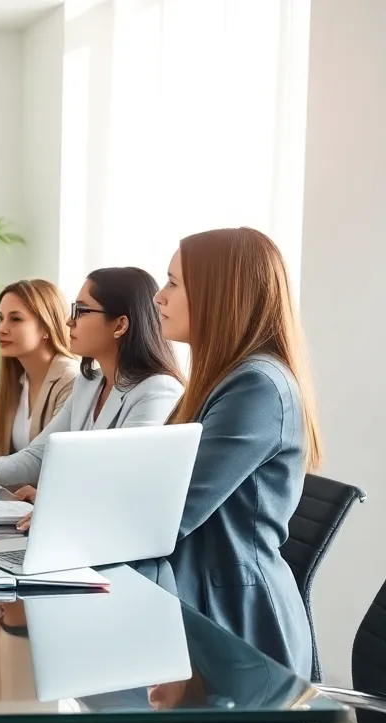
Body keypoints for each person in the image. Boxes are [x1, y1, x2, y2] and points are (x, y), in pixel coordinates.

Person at [154, 227, 319, 677]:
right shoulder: (225, 379)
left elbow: (173, 509)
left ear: (221, 294)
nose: (158, 296)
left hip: (234, 619)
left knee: (29, 619)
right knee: (23, 616)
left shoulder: (258, 386)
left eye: (173, 283)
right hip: (194, 586)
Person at [0, 267, 184, 493]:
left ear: (120, 325)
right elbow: (41, 453)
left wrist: (49, 498)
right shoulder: (88, 384)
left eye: (82, 310)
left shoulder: (157, 391)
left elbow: (119, 480)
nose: (69, 321)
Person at [0, 279, 77, 461]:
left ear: (46, 328)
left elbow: (45, 457)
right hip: (8, 488)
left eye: (15, 319)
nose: (1, 329)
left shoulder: (70, 381)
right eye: (0, 318)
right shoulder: (16, 378)